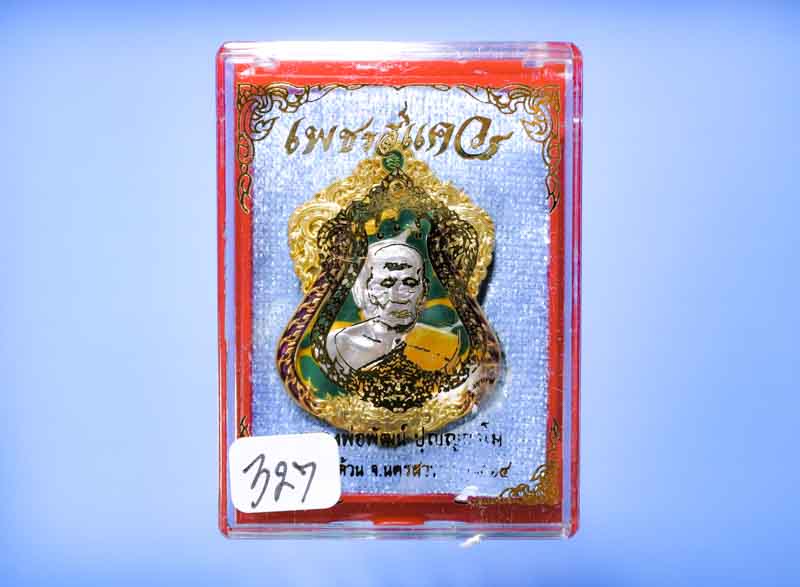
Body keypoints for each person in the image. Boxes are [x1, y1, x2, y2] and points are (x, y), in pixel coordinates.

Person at [326, 231, 460, 377]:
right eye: (386, 284)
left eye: (409, 283)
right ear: (365, 290)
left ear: (424, 290)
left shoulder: (447, 346)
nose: (397, 296)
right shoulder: (336, 345)